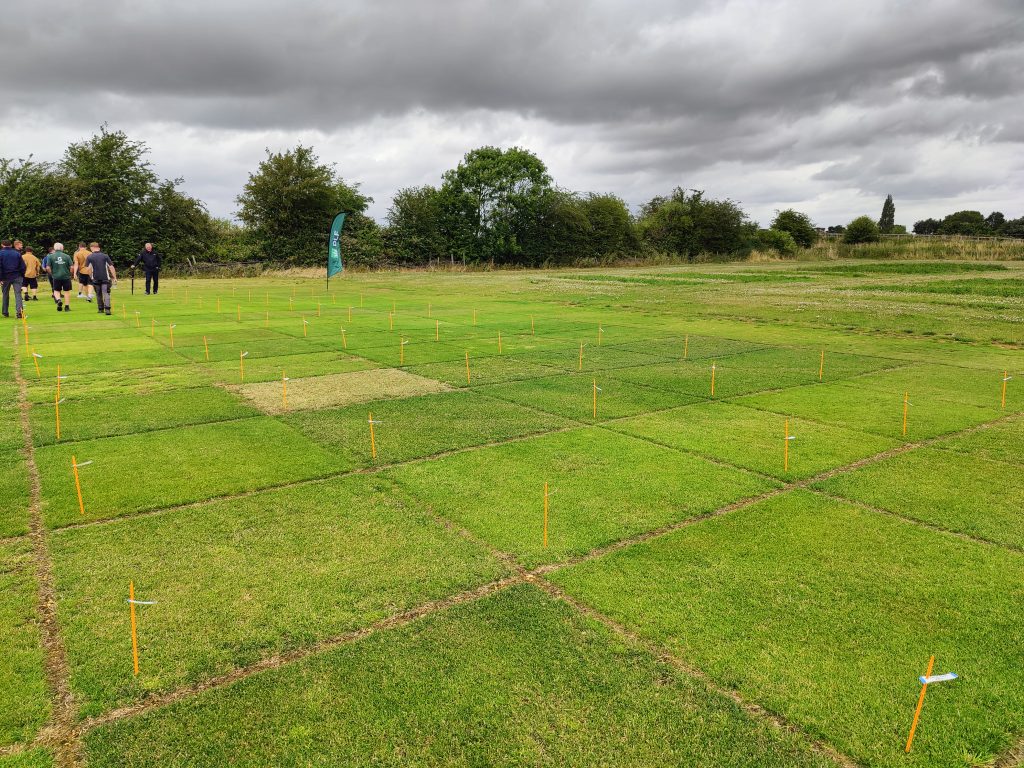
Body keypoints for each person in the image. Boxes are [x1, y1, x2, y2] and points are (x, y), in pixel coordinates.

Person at [84, 242, 116, 315]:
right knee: (106, 293)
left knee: (98, 294)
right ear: (98, 248)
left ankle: (100, 309)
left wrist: (91, 276)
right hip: (105, 278)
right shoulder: (105, 256)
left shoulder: (90, 257)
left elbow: (88, 269)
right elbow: (111, 267)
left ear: (92, 248)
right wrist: (114, 277)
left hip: (95, 279)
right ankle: (107, 309)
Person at [0, 239, 26, 318]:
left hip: (5, 277)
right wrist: (21, 275)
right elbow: (23, 266)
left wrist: (0, 278)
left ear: (2, 245)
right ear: (11, 245)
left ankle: (5, 312)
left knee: (5, 294)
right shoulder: (16, 253)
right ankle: (19, 312)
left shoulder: (0, 253)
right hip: (17, 276)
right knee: (18, 294)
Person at [47, 243, 74, 312]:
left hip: (56, 277)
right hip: (66, 276)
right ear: (62, 248)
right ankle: (67, 307)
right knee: (66, 292)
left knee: (56, 290)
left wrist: (52, 273)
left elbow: (48, 267)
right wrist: (70, 274)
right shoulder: (67, 256)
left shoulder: (50, 256)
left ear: (54, 248)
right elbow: (71, 267)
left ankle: (58, 300)